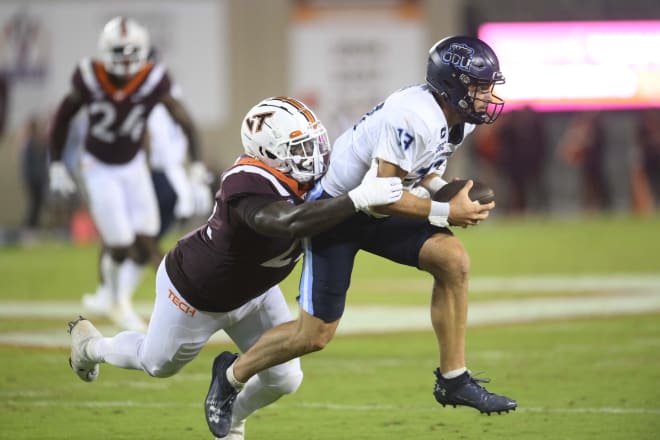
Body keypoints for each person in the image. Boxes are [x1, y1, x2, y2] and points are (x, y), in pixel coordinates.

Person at [205, 36, 518, 439]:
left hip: (379, 203)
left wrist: (443, 188)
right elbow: (381, 195)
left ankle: (453, 378)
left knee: (452, 260)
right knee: (314, 335)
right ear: (454, 87)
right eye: (480, 86)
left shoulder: (457, 118)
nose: (489, 96)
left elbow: (419, 173)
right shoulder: (414, 116)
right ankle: (230, 376)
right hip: (340, 211)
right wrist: (446, 210)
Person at [67, 96, 403, 440]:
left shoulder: (312, 176)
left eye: (314, 144)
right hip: (194, 292)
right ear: (268, 152)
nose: (313, 157)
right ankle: (91, 348)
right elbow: (286, 222)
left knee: (286, 378)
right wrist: (356, 199)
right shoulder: (246, 181)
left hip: (256, 292)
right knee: (157, 364)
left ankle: (233, 421)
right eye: (300, 148)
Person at [48, 16, 208, 331]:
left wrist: (198, 164)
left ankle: (116, 299)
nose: (125, 59)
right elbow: (63, 116)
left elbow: (185, 121)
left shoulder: (153, 79)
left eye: (131, 51)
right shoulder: (89, 76)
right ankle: (113, 298)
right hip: (98, 164)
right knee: (120, 241)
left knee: (146, 236)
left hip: (133, 164)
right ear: (106, 51)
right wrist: (55, 162)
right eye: (119, 51)